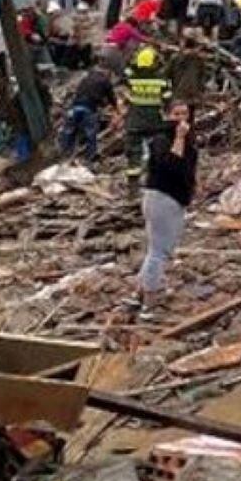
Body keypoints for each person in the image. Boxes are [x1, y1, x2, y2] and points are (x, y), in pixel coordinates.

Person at [131, 100, 197, 316]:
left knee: (155, 249)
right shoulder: (161, 139)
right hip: (163, 198)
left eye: (184, 114)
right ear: (167, 115)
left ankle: (139, 291)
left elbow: (187, 167)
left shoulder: (187, 140)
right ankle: (149, 301)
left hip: (170, 198)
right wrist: (178, 138)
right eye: (176, 114)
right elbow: (171, 165)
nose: (181, 119)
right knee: (160, 251)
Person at [123, 47, 171, 176]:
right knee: (157, 150)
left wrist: (132, 65)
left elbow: (126, 73)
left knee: (133, 154)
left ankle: (132, 188)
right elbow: (167, 98)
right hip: (155, 121)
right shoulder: (161, 79)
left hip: (135, 121)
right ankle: (154, 179)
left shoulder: (132, 78)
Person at [62, 64, 121, 164]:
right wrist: (116, 109)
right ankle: (90, 157)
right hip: (89, 108)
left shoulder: (86, 79)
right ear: (107, 73)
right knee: (90, 132)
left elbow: (79, 92)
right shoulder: (105, 81)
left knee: (69, 130)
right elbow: (111, 98)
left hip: (75, 107)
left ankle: (65, 153)